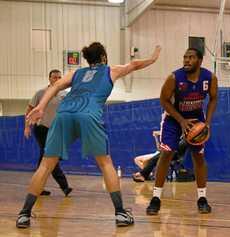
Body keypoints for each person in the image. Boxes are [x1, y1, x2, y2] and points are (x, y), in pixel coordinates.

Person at [16, 42, 161, 228]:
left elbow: (56, 86)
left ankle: (24, 214)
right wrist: (153, 58)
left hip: (64, 115)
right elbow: (134, 65)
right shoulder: (111, 70)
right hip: (88, 114)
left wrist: (41, 106)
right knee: (105, 163)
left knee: (45, 165)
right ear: (103, 57)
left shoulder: (76, 73)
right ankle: (120, 214)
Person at [146, 48, 218, 215]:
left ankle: (202, 199)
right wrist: (181, 121)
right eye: (185, 57)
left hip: (196, 119)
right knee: (166, 154)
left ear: (200, 61)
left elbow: (214, 98)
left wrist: (207, 122)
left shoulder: (209, 78)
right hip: (173, 118)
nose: (186, 60)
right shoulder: (174, 78)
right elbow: (163, 100)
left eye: (191, 57)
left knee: (199, 157)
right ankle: (156, 198)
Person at [24, 69, 72, 196]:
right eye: (54, 77)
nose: (57, 79)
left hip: (56, 129)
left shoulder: (64, 95)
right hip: (42, 128)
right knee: (50, 155)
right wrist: (27, 127)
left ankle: (37, 187)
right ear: (49, 79)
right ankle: (65, 186)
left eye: (59, 77)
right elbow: (29, 109)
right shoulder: (41, 93)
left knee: (45, 158)